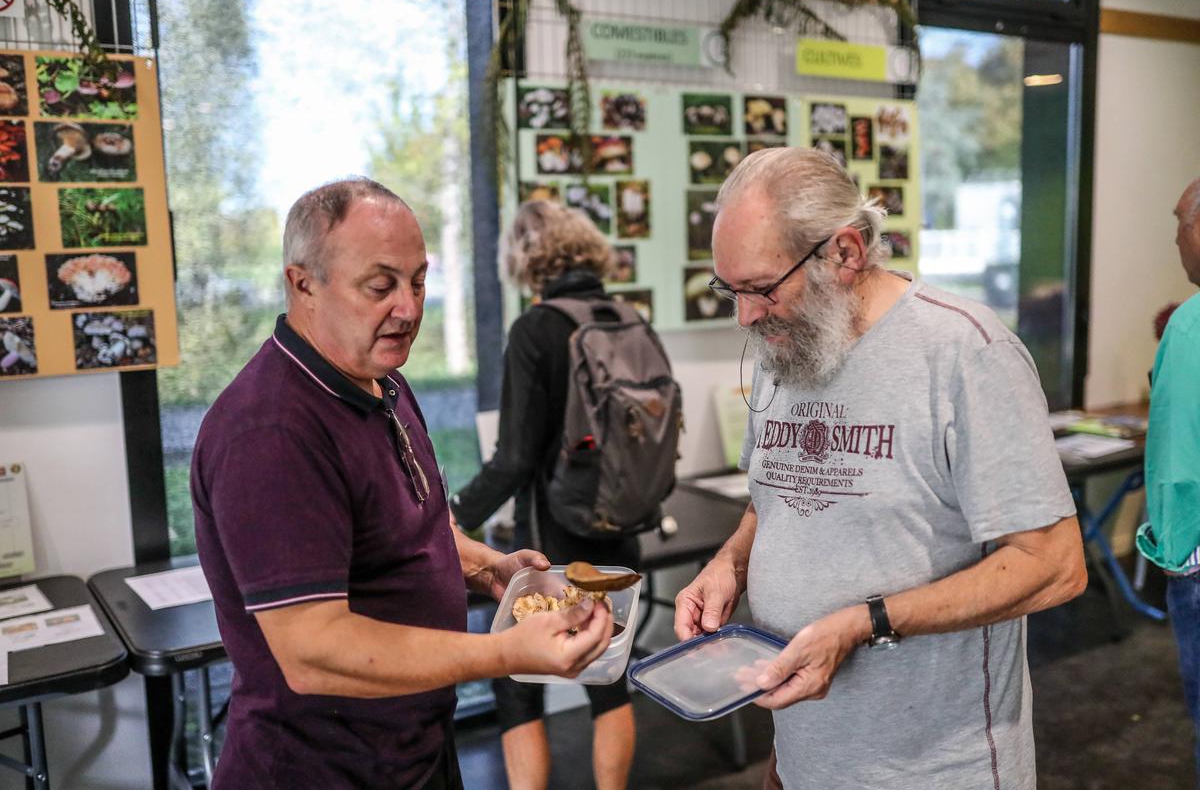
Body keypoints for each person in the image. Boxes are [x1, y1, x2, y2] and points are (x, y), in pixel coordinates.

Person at [672, 148, 1087, 789]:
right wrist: (732, 562)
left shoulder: (966, 353)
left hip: (936, 767)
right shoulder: (788, 348)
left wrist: (866, 623)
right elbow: (775, 499)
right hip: (809, 753)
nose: (745, 315)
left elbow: (1054, 565)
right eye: (730, 290)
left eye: (760, 288)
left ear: (845, 252)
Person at [191, 179, 612, 790]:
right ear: (302, 283)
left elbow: (410, 525)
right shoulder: (271, 431)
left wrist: (484, 565)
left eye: (417, 281)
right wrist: (507, 654)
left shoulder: (378, 377)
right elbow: (313, 651)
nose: (411, 308)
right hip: (321, 771)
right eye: (380, 285)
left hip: (413, 751)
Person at [449, 200, 641, 790]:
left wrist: (450, 519)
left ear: (525, 261)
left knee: (516, 690)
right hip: (620, 525)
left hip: (550, 539)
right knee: (609, 680)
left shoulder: (535, 329)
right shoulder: (624, 315)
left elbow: (512, 460)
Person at [1136, 176, 1200, 778]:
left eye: (1180, 224)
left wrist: (1176, 558)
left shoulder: (1190, 325)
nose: (1175, 240)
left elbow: (1178, 467)